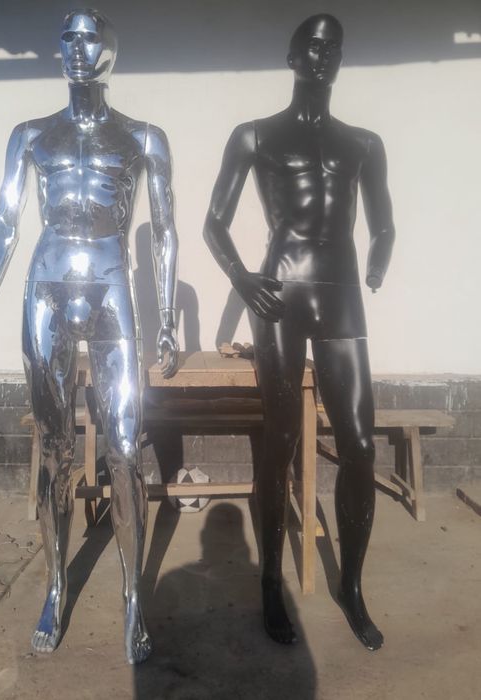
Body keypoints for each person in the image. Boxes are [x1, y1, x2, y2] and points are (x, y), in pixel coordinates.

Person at [0, 8, 179, 664]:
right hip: (47, 287)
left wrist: (168, 317)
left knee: (123, 449)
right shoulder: (32, 135)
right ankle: (56, 585)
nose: (76, 47)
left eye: (90, 37)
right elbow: (6, 216)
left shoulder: (143, 138)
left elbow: (164, 231)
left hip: (112, 288)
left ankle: (132, 597)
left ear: (111, 50)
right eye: (67, 36)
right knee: (55, 449)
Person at [203, 14, 395, 650]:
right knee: (281, 438)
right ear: (292, 56)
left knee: (359, 444)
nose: (323, 56)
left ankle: (353, 587)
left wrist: (379, 259)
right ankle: (269, 582)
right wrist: (241, 278)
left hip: (341, 294)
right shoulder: (255, 135)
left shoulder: (363, 144)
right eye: (312, 46)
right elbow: (214, 223)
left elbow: (383, 222)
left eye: (333, 47)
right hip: (279, 292)